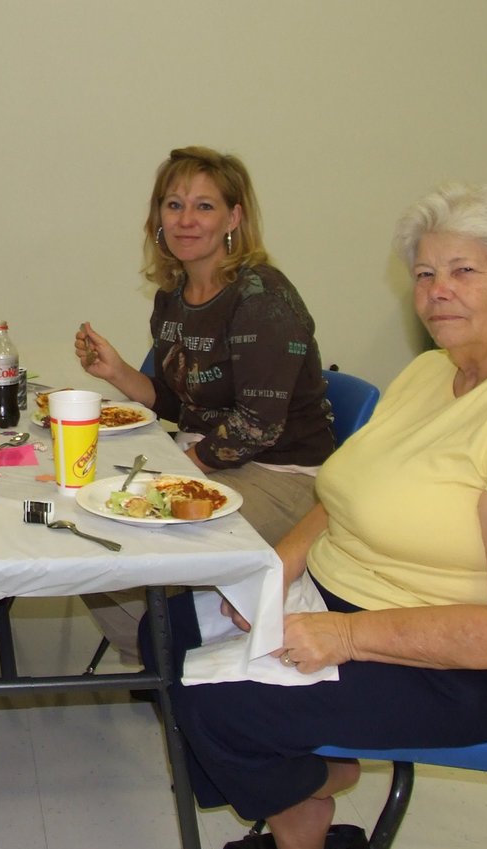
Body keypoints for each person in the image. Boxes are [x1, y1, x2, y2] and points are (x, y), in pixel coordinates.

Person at [154, 182, 487, 849]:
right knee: (173, 624)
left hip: (475, 668)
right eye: (425, 273)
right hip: (353, 597)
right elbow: (346, 493)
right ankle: (306, 785)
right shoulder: (437, 369)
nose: (439, 292)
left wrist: (343, 637)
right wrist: (278, 569)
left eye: (466, 271)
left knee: (221, 707)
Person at [75, 146, 335, 665]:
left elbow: (256, 427)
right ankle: (166, 656)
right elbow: (183, 401)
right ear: (157, 219)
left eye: (204, 206)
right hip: (213, 457)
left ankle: (180, 656)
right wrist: (118, 372)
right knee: (88, 529)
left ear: (234, 218)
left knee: (133, 537)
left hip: (282, 475)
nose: (186, 220)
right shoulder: (173, 295)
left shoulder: (260, 297)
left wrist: (175, 471)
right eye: (174, 205)